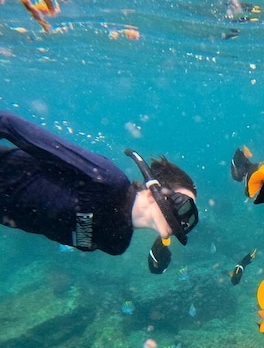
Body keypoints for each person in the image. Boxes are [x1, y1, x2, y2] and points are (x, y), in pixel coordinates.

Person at [0, 110, 199, 273]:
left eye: (189, 215)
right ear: (152, 192)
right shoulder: (107, 179)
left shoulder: (115, 243)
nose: (183, 219)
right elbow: (9, 124)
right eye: (182, 203)